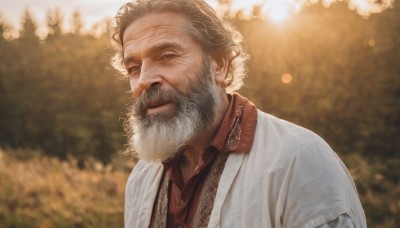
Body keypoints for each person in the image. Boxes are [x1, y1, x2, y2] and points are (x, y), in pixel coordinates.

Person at [111, 0, 367, 227]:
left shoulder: (299, 160)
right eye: (133, 67)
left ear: (219, 65)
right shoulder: (143, 178)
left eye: (167, 56)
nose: (144, 80)